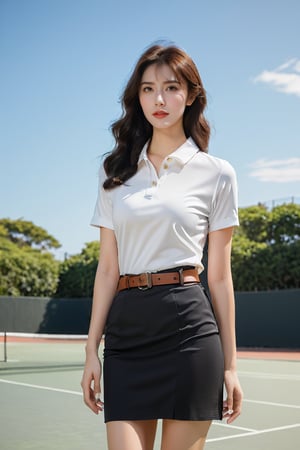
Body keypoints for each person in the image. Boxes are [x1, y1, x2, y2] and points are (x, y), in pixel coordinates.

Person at [81, 43, 243, 450]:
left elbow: (220, 278)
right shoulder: (113, 171)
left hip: (189, 330)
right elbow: (106, 270)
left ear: (190, 96)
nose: (159, 99)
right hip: (127, 332)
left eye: (171, 88)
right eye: (148, 88)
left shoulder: (218, 173)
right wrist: (90, 352)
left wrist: (232, 365)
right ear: (137, 97)